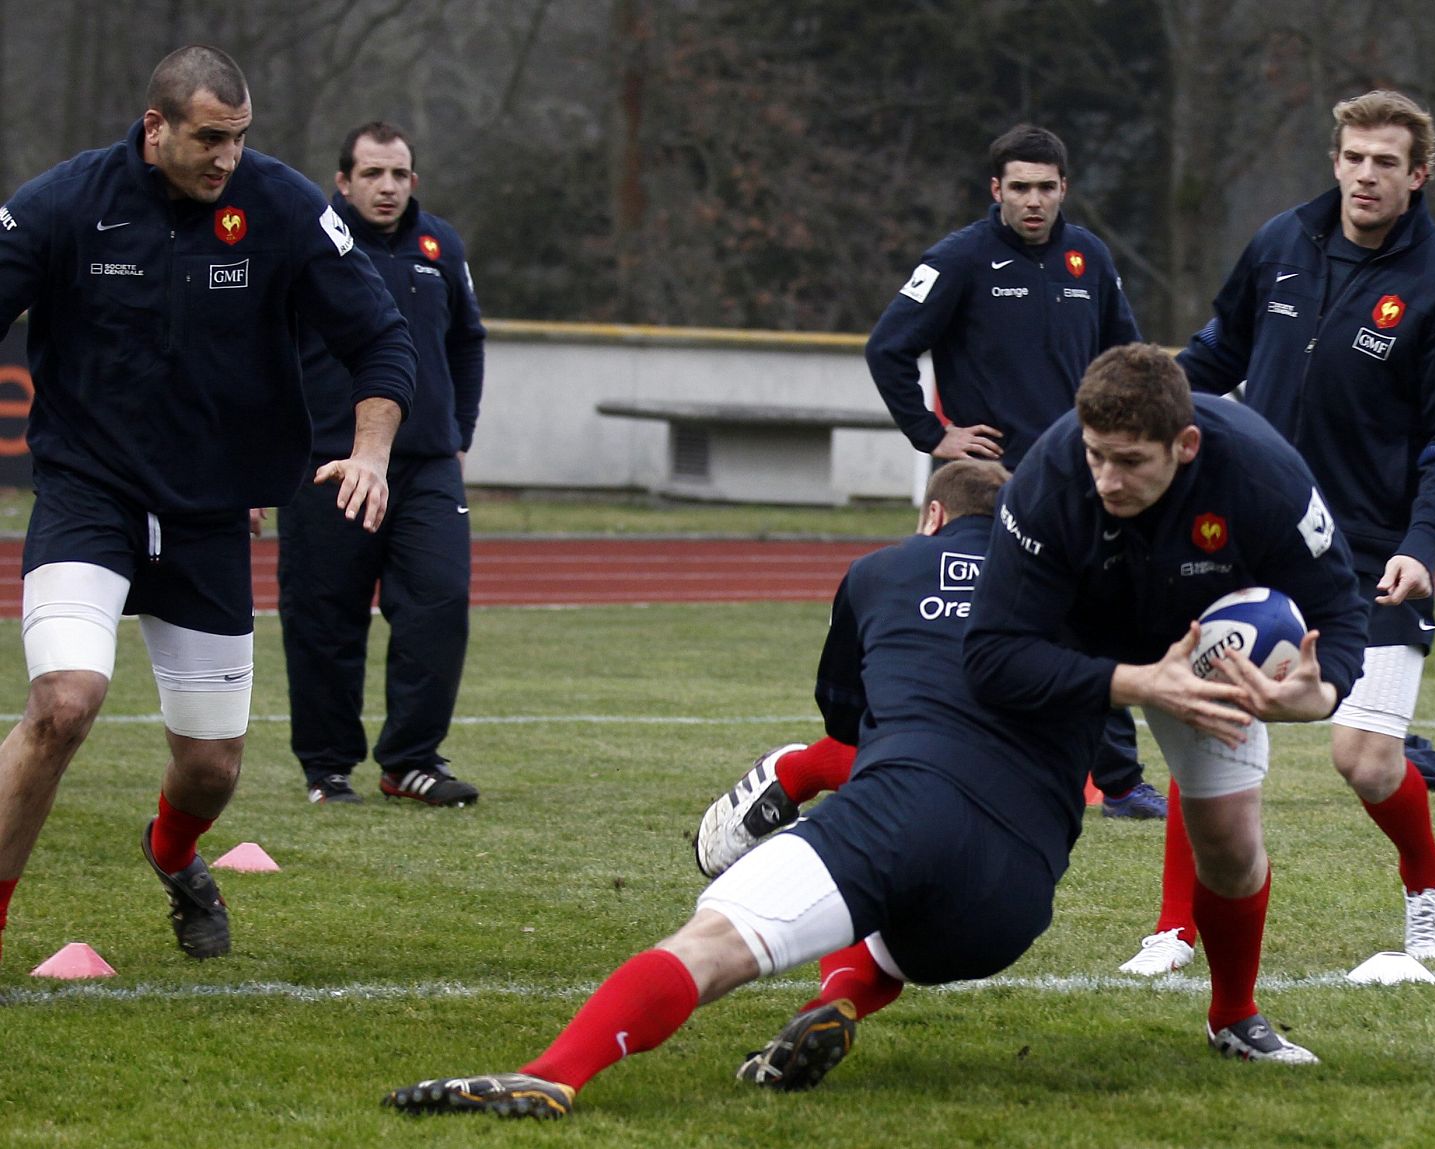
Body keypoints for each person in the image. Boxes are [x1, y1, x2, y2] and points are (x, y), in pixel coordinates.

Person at [384, 459, 1119, 1119]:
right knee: (893, 919)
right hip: (1013, 895)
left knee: (710, 946)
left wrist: (819, 765)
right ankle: (835, 999)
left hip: (902, 808)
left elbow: (845, 719)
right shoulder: (1080, 598)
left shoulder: (883, 570)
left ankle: (552, 1075)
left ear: (932, 516)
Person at [0, 46, 415, 966]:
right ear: (156, 128)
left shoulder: (283, 206)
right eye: (210, 138)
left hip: (212, 516)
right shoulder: (65, 203)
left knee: (211, 767)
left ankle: (173, 850)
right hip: (88, 497)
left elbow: (381, 336)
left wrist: (371, 452)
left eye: (240, 137)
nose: (228, 156)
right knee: (63, 703)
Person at [1118, 89, 1435, 977]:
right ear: (1335, 160)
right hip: (1258, 534)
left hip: (1374, 552)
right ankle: (1174, 927)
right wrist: (1140, 399)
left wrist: (1422, 545)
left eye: (1386, 162)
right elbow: (1219, 354)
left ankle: (1427, 885)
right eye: (1354, 157)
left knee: (1364, 759)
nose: (1366, 175)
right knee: (1204, 710)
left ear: (1418, 175)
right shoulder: (1281, 242)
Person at [962, 343, 1370, 1064]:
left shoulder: (1263, 474)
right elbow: (993, 654)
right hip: (1073, 647)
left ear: (1186, 445)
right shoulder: (1048, 480)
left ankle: (1234, 1016)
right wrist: (1134, 681)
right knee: (983, 840)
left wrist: (1323, 690)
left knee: (1231, 843)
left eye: (1130, 461)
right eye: (1096, 455)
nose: (1107, 479)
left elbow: (1340, 606)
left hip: (1204, 648)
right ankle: (850, 988)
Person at [865, 122, 1162, 820]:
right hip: (993, 485)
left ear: (1064, 189)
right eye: (1020, 187)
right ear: (996, 189)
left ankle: (1119, 783)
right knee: (987, 623)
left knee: (1093, 617)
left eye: (1046, 188)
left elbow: (1126, 358)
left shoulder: (1090, 257)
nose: (1034, 201)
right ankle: (944, 755)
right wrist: (934, 435)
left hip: (1080, 478)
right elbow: (887, 348)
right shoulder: (958, 259)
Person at [272, 121, 485, 808]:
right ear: (343, 181)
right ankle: (327, 767)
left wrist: (459, 432)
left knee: (439, 602)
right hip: (328, 463)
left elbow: (467, 342)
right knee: (324, 615)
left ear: (413, 180)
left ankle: (412, 761)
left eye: (398, 174)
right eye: (371, 174)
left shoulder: (440, 246)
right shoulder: (308, 243)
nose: (387, 187)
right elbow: (267, 350)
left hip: (426, 465)